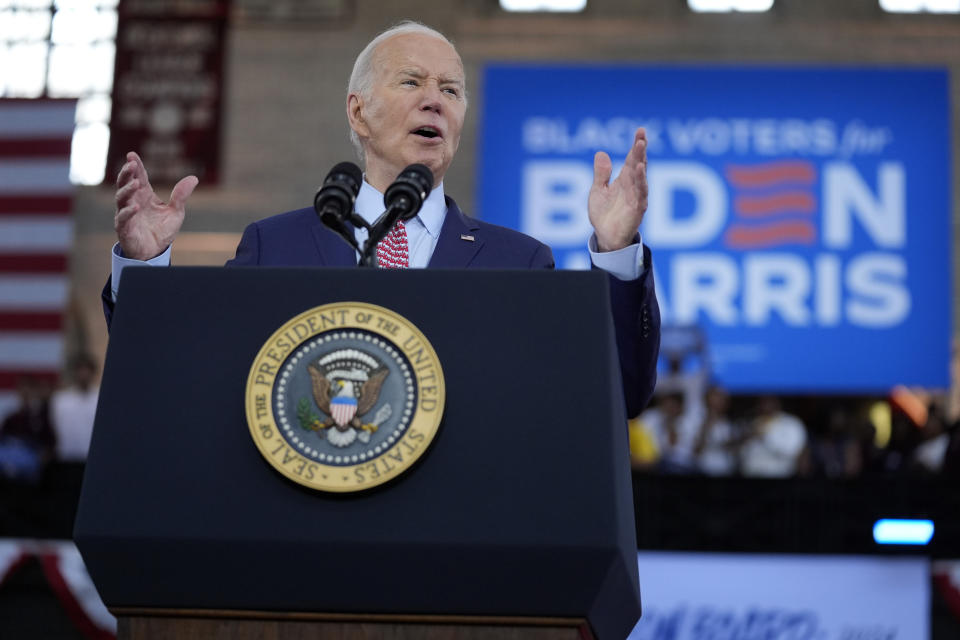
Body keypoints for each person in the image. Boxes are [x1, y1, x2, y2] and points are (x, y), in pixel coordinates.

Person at [102, 21, 660, 416]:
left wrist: (615, 254)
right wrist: (145, 269)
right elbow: (187, 379)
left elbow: (617, 395)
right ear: (358, 110)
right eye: (412, 82)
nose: (435, 101)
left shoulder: (518, 260)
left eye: (451, 90)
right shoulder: (275, 245)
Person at [50, 354, 100, 462]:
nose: (84, 374)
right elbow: (54, 426)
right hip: (67, 458)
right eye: (80, 370)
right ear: (75, 372)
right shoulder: (60, 400)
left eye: (87, 370)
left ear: (93, 373)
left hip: (93, 458)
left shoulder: (100, 399)